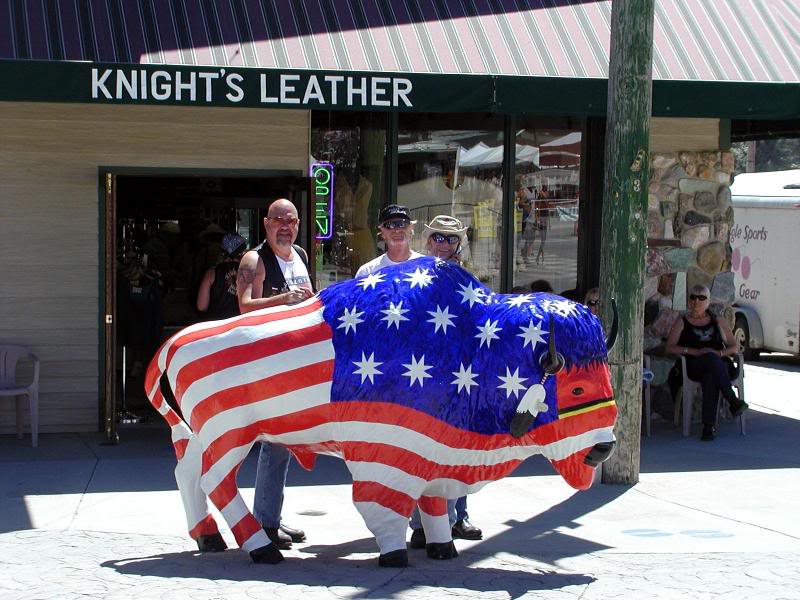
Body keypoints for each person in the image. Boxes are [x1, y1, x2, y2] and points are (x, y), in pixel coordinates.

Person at [236, 198, 314, 548]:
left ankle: (270, 517)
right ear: (266, 223)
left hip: (295, 359)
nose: (286, 226)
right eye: (279, 220)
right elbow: (244, 307)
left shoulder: (300, 254)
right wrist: (283, 300)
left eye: (292, 220)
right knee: (275, 441)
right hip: (267, 362)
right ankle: (264, 523)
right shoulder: (254, 259)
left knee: (285, 441)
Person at [404, 215, 482, 548]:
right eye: (438, 237)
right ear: (426, 239)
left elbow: (479, 324)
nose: (443, 244)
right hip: (417, 374)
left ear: (459, 244)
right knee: (418, 450)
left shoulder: (468, 279)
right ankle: (422, 523)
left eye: (450, 239)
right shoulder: (411, 275)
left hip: (456, 375)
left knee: (456, 450)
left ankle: (456, 516)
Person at [665, 285, 748, 441]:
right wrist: (694, 351)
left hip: (720, 364)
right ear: (689, 301)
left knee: (711, 373)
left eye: (701, 298)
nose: (697, 301)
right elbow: (669, 347)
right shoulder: (682, 322)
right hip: (694, 365)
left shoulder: (718, 321)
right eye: (693, 297)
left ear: (708, 302)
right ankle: (732, 400)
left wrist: (719, 353)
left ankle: (708, 428)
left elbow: (734, 346)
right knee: (710, 363)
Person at [354, 204, 422, 278]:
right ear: (382, 232)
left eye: (402, 224)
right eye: (390, 225)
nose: (397, 230)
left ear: (411, 229)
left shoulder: (428, 267)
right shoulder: (367, 272)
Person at [196, 233, 247, 321]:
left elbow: (201, 306)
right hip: (240, 325)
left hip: (216, 325)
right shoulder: (251, 272)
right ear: (242, 251)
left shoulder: (211, 273)